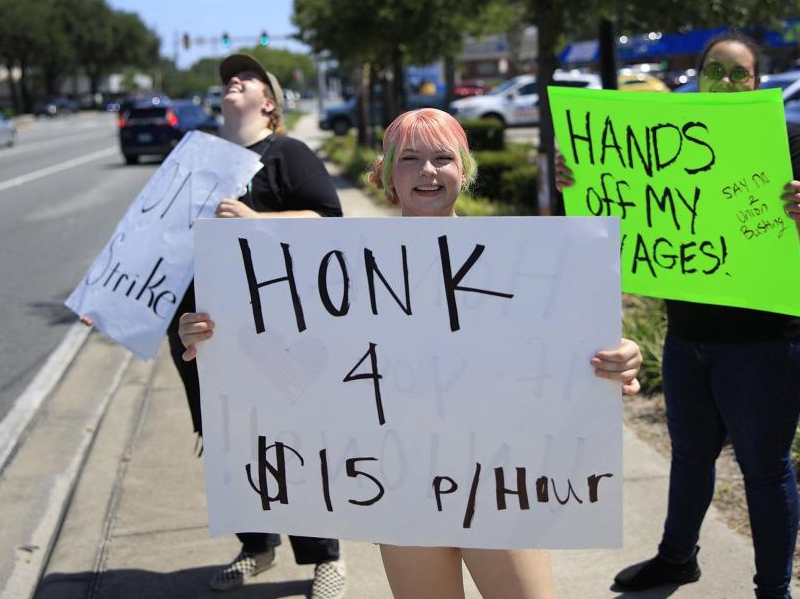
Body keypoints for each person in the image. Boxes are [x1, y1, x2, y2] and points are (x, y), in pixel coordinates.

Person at [181, 108, 644, 599]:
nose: (428, 170)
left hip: (502, 483)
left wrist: (621, 358)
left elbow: (567, 348)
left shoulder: (519, 259)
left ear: (463, 170)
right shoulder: (346, 268)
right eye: (410, 159)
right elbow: (299, 367)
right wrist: (222, 341)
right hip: (400, 486)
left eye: (443, 157)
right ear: (385, 176)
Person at [556, 32, 800, 599]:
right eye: (717, 71)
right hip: (691, 334)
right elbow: (613, 216)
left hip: (769, 339)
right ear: (699, 76)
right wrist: (578, 182)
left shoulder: (789, 141)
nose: (728, 81)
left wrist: (798, 213)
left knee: (763, 468)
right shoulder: (667, 139)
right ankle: (676, 559)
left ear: (757, 80)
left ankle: (772, 591)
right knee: (689, 455)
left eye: (740, 73)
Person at [168, 53, 346, 598]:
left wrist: (257, 221)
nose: (232, 82)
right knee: (228, 442)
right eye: (227, 79)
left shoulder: (286, 153)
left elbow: (327, 220)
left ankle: (324, 559)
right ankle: (257, 545)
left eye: (245, 78)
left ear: (269, 102)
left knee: (293, 438)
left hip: (278, 330)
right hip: (207, 332)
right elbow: (161, 244)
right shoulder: (197, 159)